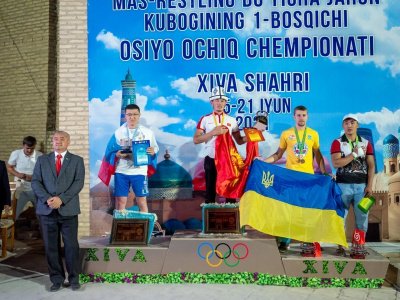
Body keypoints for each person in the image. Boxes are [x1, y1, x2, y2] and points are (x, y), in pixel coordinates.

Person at [262, 105, 327, 254]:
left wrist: (324, 172)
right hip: (290, 178)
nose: (301, 118)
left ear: (307, 117)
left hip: (307, 179)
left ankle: (309, 241)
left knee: (308, 211)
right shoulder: (286, 134)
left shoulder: (313, 134)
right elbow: (278, 154)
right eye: (298, 115)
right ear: (294, 117)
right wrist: (264, 162)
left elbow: (318, 155)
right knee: (287, 210)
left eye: (304, 115)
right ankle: (284, 242)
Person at [31, 131, 85, 292]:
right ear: (52, 142)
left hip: (68, 209)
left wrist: (61, 199)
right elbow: (36, 182)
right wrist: (48, 198)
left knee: (71, 246)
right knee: (50, 247)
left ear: (68, 142)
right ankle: (56, 279)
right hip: (46, 210)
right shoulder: (42, 160)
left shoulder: (77, 160)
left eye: (62, 139)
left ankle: (74, 279)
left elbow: (78, 183)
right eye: (56, 139)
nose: (58, 141)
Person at [330, 114, 375, 258]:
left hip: (361, 187)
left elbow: (371, 166)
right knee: (340, 217)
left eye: (352, 122)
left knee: (362, 217)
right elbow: (336, 163)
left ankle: (359, 246)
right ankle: (341, 246)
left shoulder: (366, 143)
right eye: (346, 123)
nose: (349, 125)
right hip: (342, 186)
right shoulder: (337, 142)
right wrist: (354, 154)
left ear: (357, 125)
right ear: (343, 126)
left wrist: (370, 185)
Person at [193, 86, 246, 204]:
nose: (219, 103)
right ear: (211, 102)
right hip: (211, 158)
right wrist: (213, 133)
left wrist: (253, 135)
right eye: (217, 100)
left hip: (228, 160)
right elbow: (196, 140)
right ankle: (209, 220)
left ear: (226, 102)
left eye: (222, 101)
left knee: (230, 193)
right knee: (210, 193)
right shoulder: (205, 119)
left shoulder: (232, 120)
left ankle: (231, 219)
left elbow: (239, 140)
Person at [114, 104, 158, 212]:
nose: (132, 117)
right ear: (125, 116)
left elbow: (155, 147)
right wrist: (117, 154)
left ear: (139, 115)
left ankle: (146, 228)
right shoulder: (118, 132)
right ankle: (122, 227)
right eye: (129, 114)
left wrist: (153, 151)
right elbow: (111, 151)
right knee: (121, 202)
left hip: (139, 172)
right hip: (122, 171)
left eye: (135, 114)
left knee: (142, 201)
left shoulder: (147, 132)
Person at [7, 136, 42, 219]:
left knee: (41, 215)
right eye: (27, 148)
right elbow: (9, 167)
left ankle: (43, 231)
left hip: (35, 189)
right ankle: (11, 231)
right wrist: (17, 174)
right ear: (23, 145)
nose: (29, 150)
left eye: (32, 148)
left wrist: (33, 177)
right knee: (14, 214)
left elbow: (44, 172)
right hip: (20, 189)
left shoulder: (40, 156)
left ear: (35, 146)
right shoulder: (16, 153)